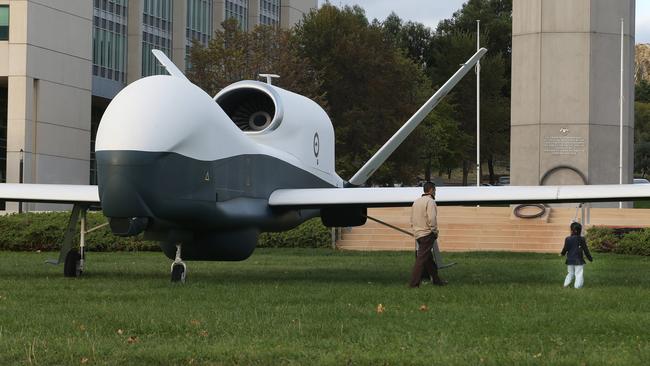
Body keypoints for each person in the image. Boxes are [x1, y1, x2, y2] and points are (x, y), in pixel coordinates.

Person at [409, 181, 446, 287]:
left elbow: (411, 219)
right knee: (421, 259)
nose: (435, 192)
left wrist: (416, 231)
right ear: (431, 190)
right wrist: (434, 231)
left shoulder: (416, 202)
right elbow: (432, 219)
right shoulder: (430, 202)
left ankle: (437, 281)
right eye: (435, 190)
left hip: (418, 234)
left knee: (428, 259)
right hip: (427, 234)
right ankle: (414, 283)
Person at [560, 222, 593, 288]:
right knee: (579, 273)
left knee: (570, 273)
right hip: (579, 260)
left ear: (571, 230)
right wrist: (590, 258)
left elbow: (565, 248)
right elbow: (586, 250)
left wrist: (562, 254)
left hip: (570, 260)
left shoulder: (567, 239)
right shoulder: (582, 239)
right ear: (580, 231)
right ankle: (577, 286)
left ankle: (565, 285)